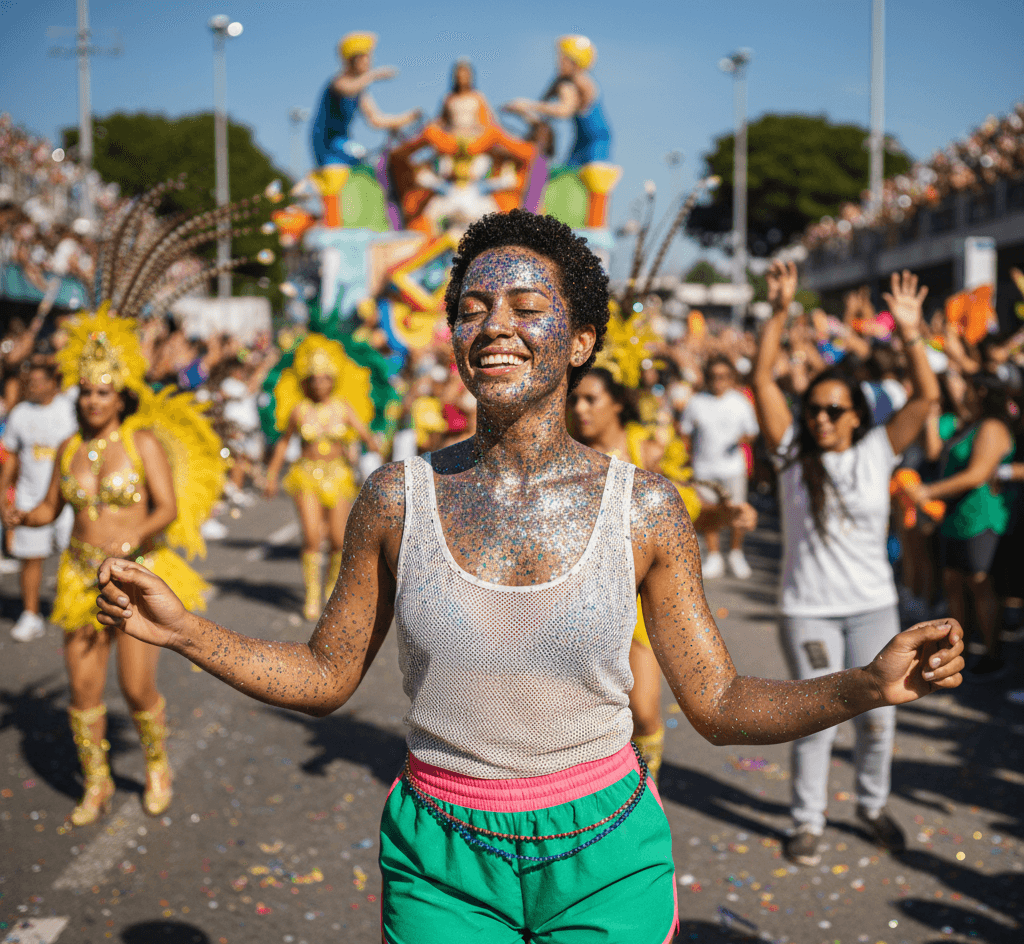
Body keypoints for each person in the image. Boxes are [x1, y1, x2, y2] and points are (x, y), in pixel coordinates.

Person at [96, 212, 963, 944]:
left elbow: (721, 703)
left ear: (581, 339)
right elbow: (327, 677)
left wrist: (865, 685)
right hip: (441, 858)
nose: (493, 326)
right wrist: (184, 632)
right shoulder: (398, 498)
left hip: (605, 852)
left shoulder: (646, 508)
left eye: (524, 305)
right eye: (472, 309)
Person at [751, 263, 941, 867]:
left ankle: (871, 804)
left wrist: (910, 333)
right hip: (807, 611)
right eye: (815, 410)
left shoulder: (876, 452)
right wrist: (779, 309)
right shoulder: (789, 454)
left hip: (871, 607)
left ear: (858, 415)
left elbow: (928, 396)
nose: (822, 419)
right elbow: (761, 379)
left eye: (835, 410)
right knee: (815, 721)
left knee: (879, 716)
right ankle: (808, 820)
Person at [2, 311, 224, 827]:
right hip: (80, 578)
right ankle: (97, 784)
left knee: (135, 687)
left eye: (102, 392)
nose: (92, 401)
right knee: (82, 692)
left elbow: (165, 508)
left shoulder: (142, 444)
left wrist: (132, 538)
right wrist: (18, 512)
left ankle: (155, 765)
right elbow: (50, 510)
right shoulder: (68, 448)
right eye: (84, 392)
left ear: (120, 395)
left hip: (134, 577)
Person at [907, 372, 1015, 678]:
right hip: (956, 517)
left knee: (980, 585)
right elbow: (933, 452)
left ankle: (992, 654)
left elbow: (977, 474)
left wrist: (930, 491)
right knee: (954, 582)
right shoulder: (968, 424)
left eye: (966, 387)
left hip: (981, 517)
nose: (961, 393)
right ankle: (959, 651)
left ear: (980, 391)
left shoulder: (992, 427)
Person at [264, 334, 379, 621]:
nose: (319, 384)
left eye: (324, 378)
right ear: (306, 381)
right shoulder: (298, 410)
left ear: (333, 379)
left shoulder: (343, 407)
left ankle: (329, 590)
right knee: (313, 538)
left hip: (339, 475)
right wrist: (271, 474)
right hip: (305, 476)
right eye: (313, 379)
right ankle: (312, 595)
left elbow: (369, 436)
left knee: (340, 540)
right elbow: (282, 443)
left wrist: (373, 445)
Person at [1, 358, 77, 641]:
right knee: (30, 559)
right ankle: (31, 614)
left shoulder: (70, 410)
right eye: (28, 382)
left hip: (68, 500)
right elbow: (11, 458)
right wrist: (3, 496)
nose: (31, 387)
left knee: (75, 557)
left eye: (37, 382)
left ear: (53, 383)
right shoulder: (20, 414)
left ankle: (76, 609)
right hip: (30, 498)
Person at [679, 354, 760, 579]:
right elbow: (684, 430)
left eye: (724, 376)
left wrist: (739, 440)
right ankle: (714, 555)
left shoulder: (740, 401)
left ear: (731, 378)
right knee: (709, 514)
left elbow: (752, 432)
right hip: (704, 468)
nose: (718, 381)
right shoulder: (696, 401)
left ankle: (736, 552)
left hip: (733, 468)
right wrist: (685, 458)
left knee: (738, 511)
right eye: (714, 376)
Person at [311, 32, 420, 168]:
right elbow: (348, 89)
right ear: (352, 61)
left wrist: (408, 117)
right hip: (329, 144)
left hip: (344, 141)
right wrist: (374, 76)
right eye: (365, 57)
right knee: (363, 162)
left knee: (371, 165)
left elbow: (375, 119)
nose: (369, 61)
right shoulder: (339, 82)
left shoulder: (360, 92)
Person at [504, 35, 612, 168]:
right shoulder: (561, 82)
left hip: (596, 142)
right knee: (565, 176)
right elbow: (544, 108)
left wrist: (528, 105)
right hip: (580, 141)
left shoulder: (580, 83)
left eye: (563, 58)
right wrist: (523, 112)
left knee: (591, 181)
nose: (558, 62)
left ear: (575, 63)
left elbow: (564, 110)